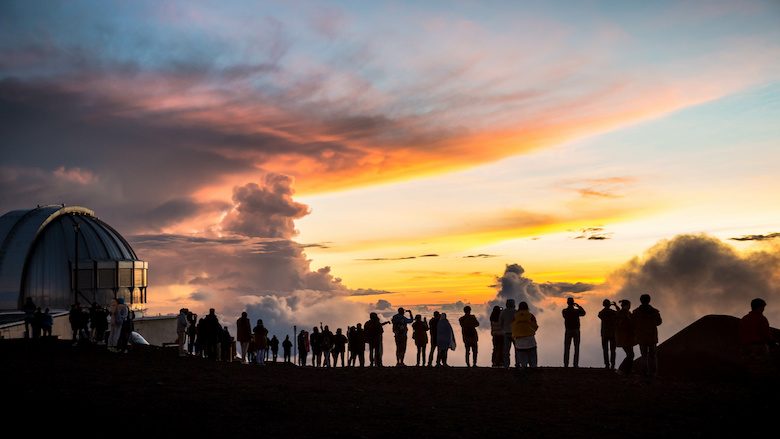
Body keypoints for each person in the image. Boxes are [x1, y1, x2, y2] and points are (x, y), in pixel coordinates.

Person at [739, 298, 775, 371]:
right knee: (761, 366)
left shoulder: (744, 319)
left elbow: (741, 333)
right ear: (760, 307)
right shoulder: (761, 319)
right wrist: (772, 342)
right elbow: (766, 334)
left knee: (750, 366)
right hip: (759, 347)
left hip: (747, 347)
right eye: (763, 307)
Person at [632, 294, 662, 377]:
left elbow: (632, 323)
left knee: (644, 356)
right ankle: (655, 373)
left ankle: (645, 373)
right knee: (653, 356)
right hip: (652, 337)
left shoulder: (636, 312)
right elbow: (659, 322)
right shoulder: (654, 311)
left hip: (642, 337)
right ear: (649, 301)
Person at [511, 301, 539, 370]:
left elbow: (512, 326)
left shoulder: (515, 317)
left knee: (523, 359)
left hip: (519, 341)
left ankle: (524, 372)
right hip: (530, 339)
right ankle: (533, 372)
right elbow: (535, 326)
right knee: (532, 358)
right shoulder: (530, 316)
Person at [562, 297, 586, 368]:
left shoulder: (565, 311)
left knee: (567, 348)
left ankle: (566, 364)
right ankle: (575, 364)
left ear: (567, 303)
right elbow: (583, 313)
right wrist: (578, 306)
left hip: (568, 330)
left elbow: (564, 316)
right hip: (576, 330)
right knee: (576, 348)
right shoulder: (576, 311)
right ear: (573, 303)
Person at [615, 300, 635, 375]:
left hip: (627, 337)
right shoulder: (623, 314)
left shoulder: (623, 313)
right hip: (625, 337)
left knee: (630, 354)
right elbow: (622, 325)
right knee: (630, 355)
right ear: (625, 305)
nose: (629, 307)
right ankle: (621, 369)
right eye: (628, 305)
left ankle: (628, 371)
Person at [598, 299, 619, 370]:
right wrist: (616, 306)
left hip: (605, 333)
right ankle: (613, 364)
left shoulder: (602, 313)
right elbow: (619, 313)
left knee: (605, 350)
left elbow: (599, 315)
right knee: (613, 350)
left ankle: (607, 365)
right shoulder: (613, 312)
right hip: (612, 333)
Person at [498, 299, 517, 369]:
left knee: (506, 351)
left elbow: (500, 322)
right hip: (515, 333)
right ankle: (517, 364)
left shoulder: (503, 312)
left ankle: (506, 365)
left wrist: (503, 329)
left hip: (506, 332)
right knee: (517, 350)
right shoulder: (516, 312)